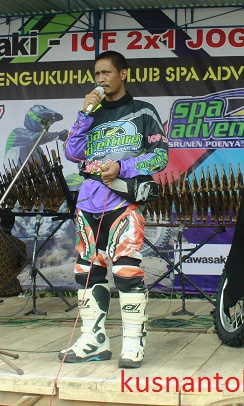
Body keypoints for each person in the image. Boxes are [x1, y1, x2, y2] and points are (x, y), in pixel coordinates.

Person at [61, 50, 168, 368]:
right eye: (97, 74)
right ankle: (93, 340)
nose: (101, 79)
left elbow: (160, 156)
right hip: (88, 202)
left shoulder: (143, 111)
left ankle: (133, 343)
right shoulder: (91, 114)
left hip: (124, 201)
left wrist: (123, 166)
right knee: (86, 271)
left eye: (106, 72)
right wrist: (84, 113)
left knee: (126, 271)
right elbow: (72, 152)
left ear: (123, 74)